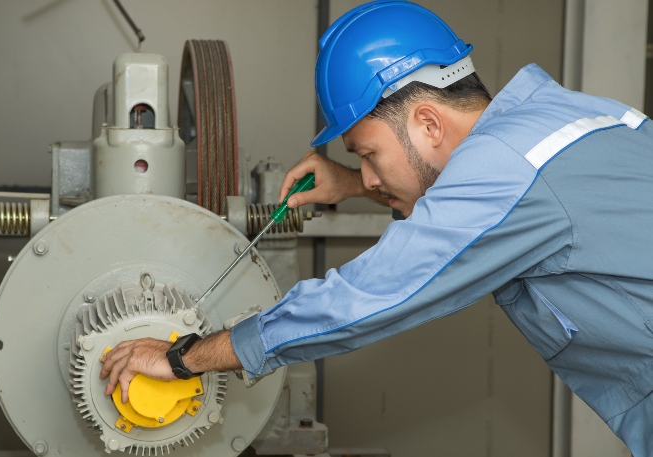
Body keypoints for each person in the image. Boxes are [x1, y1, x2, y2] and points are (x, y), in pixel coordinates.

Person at [99, 1, 653, 453]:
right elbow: (491, 200)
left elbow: (371, 296)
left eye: (368, 154)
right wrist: (355, 184)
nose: (367, 172)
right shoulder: (559, 118)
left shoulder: (507, 168)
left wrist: (184, 358)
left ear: (428, 122)